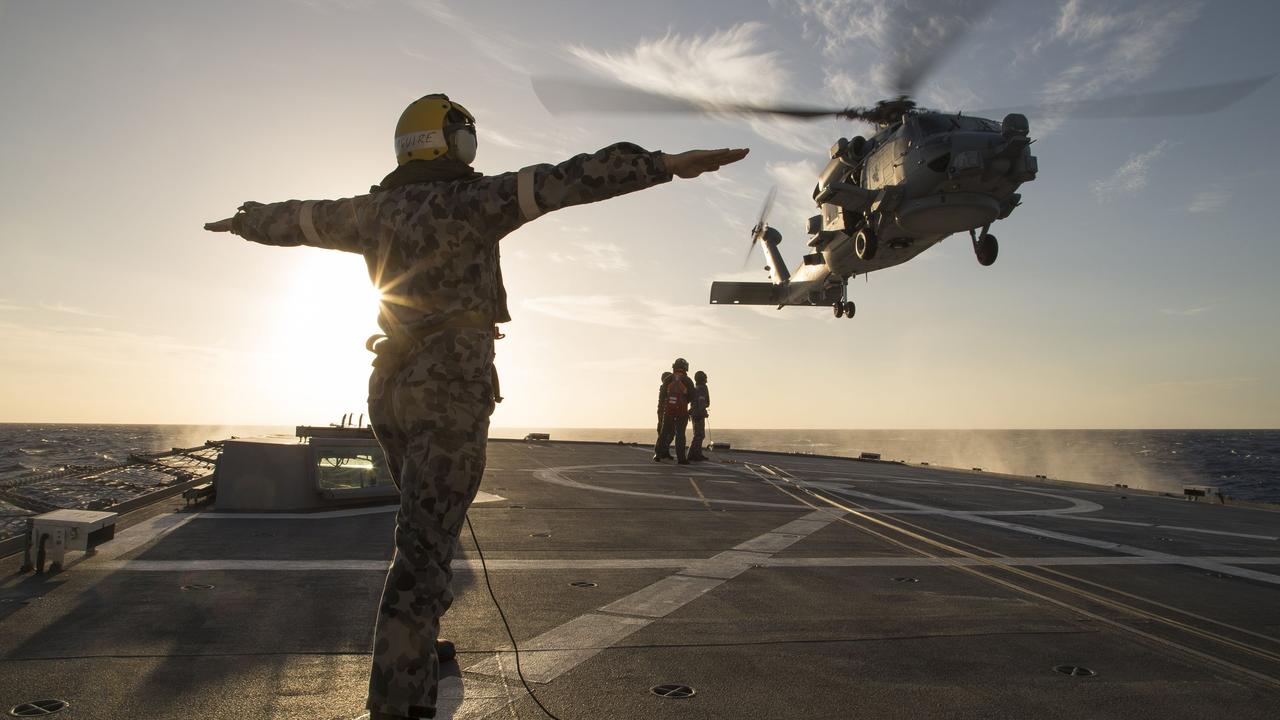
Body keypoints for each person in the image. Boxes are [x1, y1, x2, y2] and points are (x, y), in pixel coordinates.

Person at [204, 92, 748, 720]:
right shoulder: (473, 201)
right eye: (464, 136)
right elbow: (572, 179)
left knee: (419, 531)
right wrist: (664, 163)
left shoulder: (370, 211)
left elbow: (297, 219)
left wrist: (243, 221)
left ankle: (417, 653)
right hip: (450, 389)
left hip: (392, 388)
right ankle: (401, 703)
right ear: (444, 143)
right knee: (423, 555)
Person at [654, 358, 696, 464]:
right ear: (685, 367)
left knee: (664, 433)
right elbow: (692, 396)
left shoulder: (668, 379)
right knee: (680, 434)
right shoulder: (687, 380)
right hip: (682, 411)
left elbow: (663, 395)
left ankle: (657, 454)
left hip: (668, 410)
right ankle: (681, 459)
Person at [688, 370, 711, 461]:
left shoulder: (696, 388)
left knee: (698, 435)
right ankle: (693, 455)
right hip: (698, 415)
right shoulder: (702, 388)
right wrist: (703, 412)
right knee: (699, 435)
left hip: (695, 414)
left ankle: (695, 454)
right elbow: (701, 401)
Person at [655, 370, 674, 457]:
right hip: (663, 412)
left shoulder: (668, 387)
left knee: (670, 433)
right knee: (664, 433)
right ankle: (660, 452)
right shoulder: (664, 388)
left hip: (667, 412)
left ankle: (664, 451)